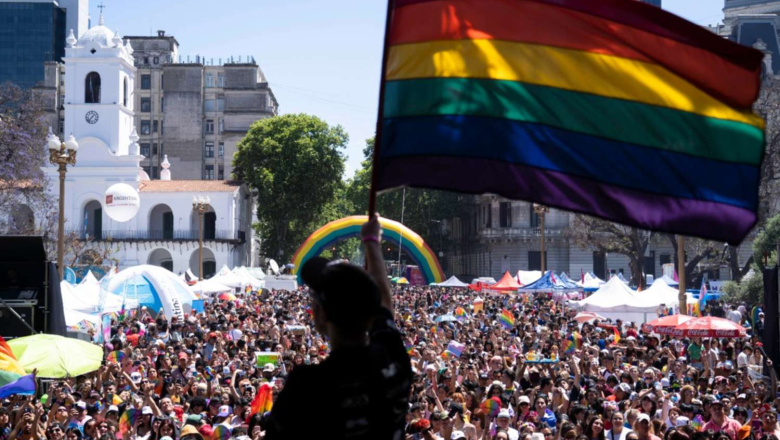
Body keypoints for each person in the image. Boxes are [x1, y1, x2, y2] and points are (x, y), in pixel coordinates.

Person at [262, 215, 412, 439]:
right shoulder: (393, 360)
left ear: (320, 316)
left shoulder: (307, 387)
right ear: (370, 315)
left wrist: (371, 240)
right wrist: (372, 242)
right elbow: (385, 305)